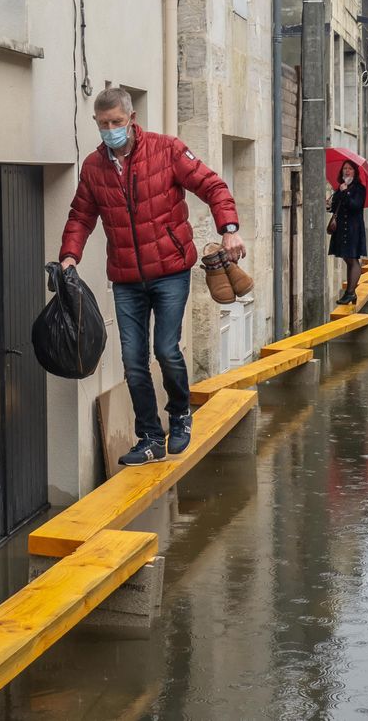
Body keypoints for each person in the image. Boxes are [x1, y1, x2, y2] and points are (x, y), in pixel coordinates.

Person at [59, 87, 244, 466]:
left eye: (116, 122)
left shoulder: (168, 150)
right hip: (126, 278)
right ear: (96, 122)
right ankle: (149, 438)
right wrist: (69, 257)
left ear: (132, 120)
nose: (110, 129)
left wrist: (229, 227)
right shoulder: (94, 168)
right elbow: (81, 216)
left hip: (171, 270)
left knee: (165, 349)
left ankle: (179, 414)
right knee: (132, 360)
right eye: (103, 124)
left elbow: (212, 186)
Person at [329, 158, 367, 305]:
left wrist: (345, 193)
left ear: (355, 172)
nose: (347, 171)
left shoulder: (360, 189)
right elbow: (336, 207)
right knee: (347, 258)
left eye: (350, 168)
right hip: (341, 229)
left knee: (352, 259)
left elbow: (355, 205)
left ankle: (350, 293)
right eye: (345, 168)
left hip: (353, 229)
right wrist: (330, 204)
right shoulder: (340, 188)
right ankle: (350, 292)